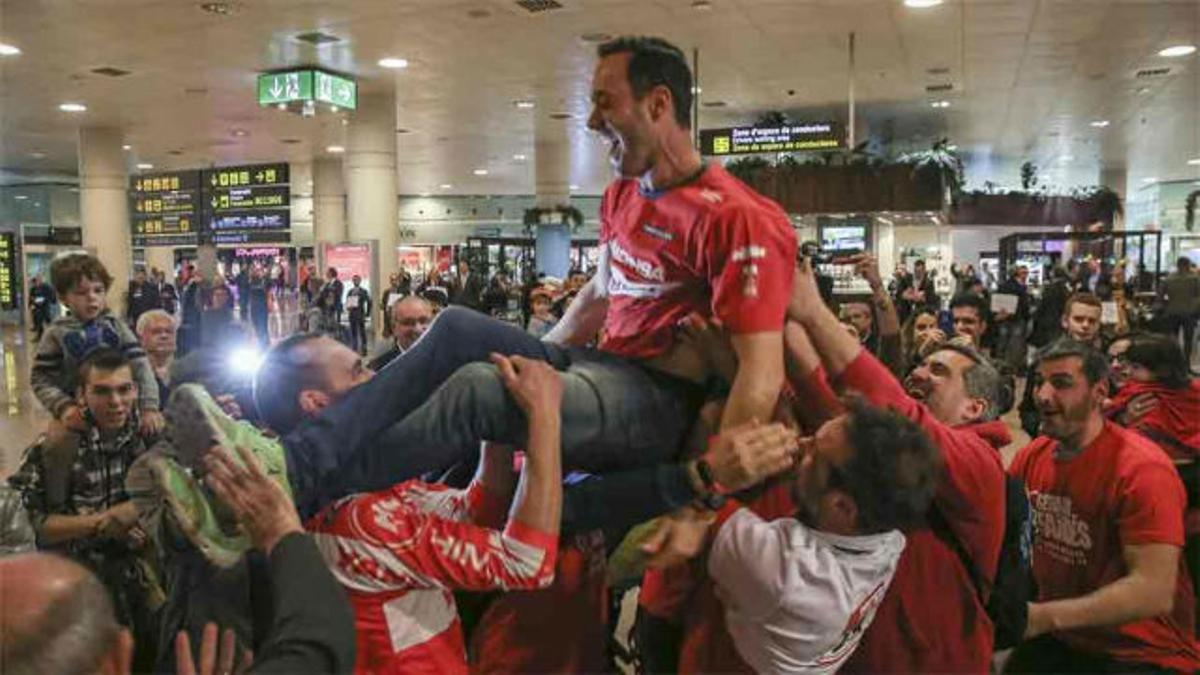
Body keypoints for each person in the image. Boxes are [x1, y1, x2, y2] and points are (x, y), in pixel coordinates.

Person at [253, 35, 797, 519]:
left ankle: (301, 490)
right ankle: (301, 462)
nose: (590, 123)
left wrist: (704, 503)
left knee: (478, 392)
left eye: (605, 104)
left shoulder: (737, 217)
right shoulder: (624, 194)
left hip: (657, 404)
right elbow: (598, 297)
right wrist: (524, 356)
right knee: (459, 328)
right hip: (602, 366)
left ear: (659, 105)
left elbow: (760, 374)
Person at [786, 258, 1011, 673]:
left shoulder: (979, 461)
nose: (920, 373)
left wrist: (814, 313)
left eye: (939, 371)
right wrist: (781, 314)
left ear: (973, 407)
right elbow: (825, 403)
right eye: (921, 365)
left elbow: (902, 414)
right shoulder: (887, 448)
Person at [303, 354, 563, 673]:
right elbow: (527, 563)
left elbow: (476, 513)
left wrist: (496, 421)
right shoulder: (357, 520)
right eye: (358, 372)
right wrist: (545, 414)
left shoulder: (369, 489)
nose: (377, 377)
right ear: (317, 403)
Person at [661, 401, 942, 673]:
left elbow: (699, 489)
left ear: (841, 507)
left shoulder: (788, 575)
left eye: (813, 454)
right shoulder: (887, 535)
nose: (799, 443)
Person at [1006, 338, 1200, 673]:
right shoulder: (1031, 456)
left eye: (1062, 384)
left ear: (1099, 392)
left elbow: (1153, 591)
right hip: (1064, 636)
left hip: (1139, 651)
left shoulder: (1141, 469)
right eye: (1039, 382)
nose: (1042, 395)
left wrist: (1043, 617)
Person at [10, 349, 164, 671]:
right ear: (81, 395)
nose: (116, 402)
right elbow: (29, 525)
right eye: (102, 391)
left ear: (136, 390)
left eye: (124, 389)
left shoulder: (149, 439)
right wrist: (100, 523)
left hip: (142, 582)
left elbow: (176, 494)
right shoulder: (56, 449)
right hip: (78, 583)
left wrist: (136, 515)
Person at [32, 253, 163, 439]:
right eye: (81, 293)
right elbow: (41, 378)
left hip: (121, 410)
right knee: (58, 444)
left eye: (98, 290)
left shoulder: (116, 327)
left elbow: (141, 366)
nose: (91, 298)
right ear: (63, 298)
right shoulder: (56, 333)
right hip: (77, 415)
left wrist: (149, 406)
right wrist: (64, 407)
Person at [1019, 292, 1105, 438]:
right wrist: (1040, 428)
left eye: (1092, 321)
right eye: (1078, 319)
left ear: (1098, 324)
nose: (1085, 325)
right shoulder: (1045, 359)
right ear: (1065, 321)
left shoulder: (1108, 360)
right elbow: (1028, 409)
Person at [370, 295, 433, 371]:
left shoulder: (448, 364)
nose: (418, 329)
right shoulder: (377, 371)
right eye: (408, 322)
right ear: (394, 328)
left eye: (424, 321)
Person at [1159, 256, 1200, 367]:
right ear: (1188, 265)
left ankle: (1174, 365)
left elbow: (1160, 297)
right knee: (1188, 340)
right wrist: (1195, 309)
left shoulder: (1169, 278)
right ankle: (1186, 365)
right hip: (1189, 313)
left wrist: (1165, 307)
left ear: (1177, 265)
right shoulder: (1195, 279)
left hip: (1172, 312)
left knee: (1173, 340)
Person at [136, 309, 178, 407]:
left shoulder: (187, 371)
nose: (164, 336)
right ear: (141, 338)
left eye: (169, 332)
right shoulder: (134, 374)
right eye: (156, 332)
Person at [993, 265, 1031, 370]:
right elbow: (1023, 304)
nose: (1026, 275)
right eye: (1023, 273)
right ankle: (1012, 365)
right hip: (1017, 318)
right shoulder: (1020, 287)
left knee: (1003, 341)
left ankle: (1000, 363)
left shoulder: (1003, 285)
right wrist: (1026, 316)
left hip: (1004, 317)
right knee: (1016, 343)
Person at [199, 283, 249, 352]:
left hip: (226, 352)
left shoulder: (230, 315)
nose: (220, 298)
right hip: (208, 351)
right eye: (217, 295)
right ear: (212, 297)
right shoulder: (205, 315)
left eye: (223, 295)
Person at [345, 274, 372, 356]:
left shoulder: (363, 291)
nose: (355, 281)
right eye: (354, 280)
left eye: (357, 280)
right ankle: (354, 349)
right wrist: (348, 307)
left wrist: (368, 313)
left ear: (360, 281)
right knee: (353, 332)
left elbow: (369, 302)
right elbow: (347, 302)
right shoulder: (350, 291)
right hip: (352, 315)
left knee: (362, 332)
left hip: (360, 314)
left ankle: (364, 349)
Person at [245, 264, 270, 349]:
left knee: (262, 327)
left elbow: (267, 288)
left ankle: (265, 345)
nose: (254, 272)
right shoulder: (249, 282)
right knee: (256, 326)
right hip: (253, 306)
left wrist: (265, 277)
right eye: (252, 271)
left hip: (262, 306)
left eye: (256, 270)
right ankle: (261, 342)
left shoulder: (263, 280)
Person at [28, 274, 57, 342]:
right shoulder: (33, 288)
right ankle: (40, 336)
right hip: (37, 307)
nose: (37, 282)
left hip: (46, 306)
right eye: (36, 281)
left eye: (38, 280)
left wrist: (46, 300)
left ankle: (53, 336)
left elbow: (51, 295)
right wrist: (31, 304)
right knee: (38, 321)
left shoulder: (47, 287)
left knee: (48, 320)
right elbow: (31, 297)